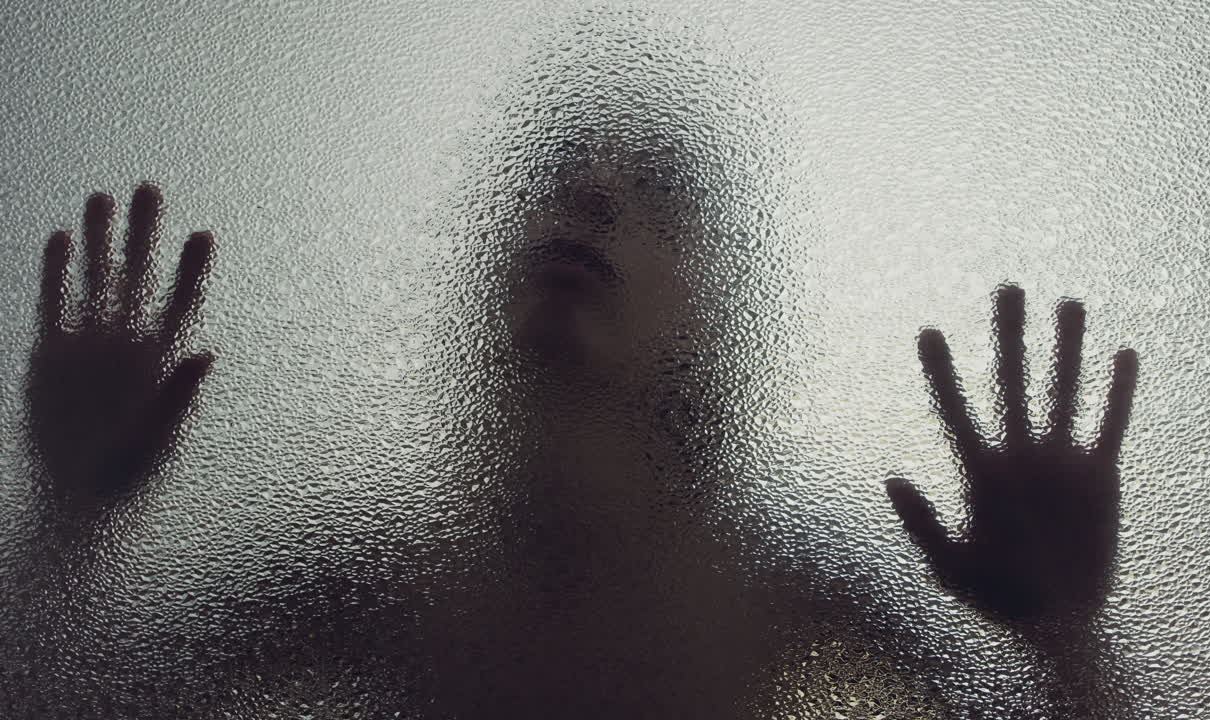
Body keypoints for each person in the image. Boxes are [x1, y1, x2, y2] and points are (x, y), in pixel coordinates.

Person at [14, 178, 1138, 719]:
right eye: (555, 182)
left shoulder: (795, 587)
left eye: (652, 199)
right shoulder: (381, 578)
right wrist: (66, 518)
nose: (587, 204)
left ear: (709, 312)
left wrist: (1060, 640)